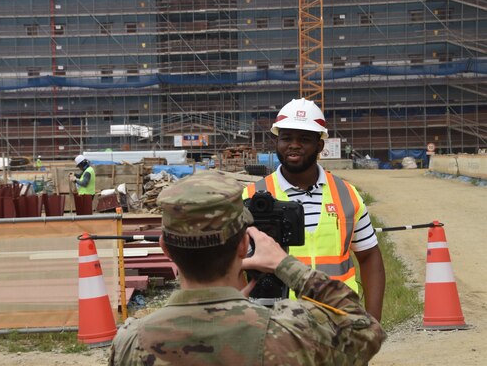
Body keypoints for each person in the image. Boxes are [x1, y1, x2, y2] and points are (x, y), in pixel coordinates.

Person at [109, 170, 386, 366]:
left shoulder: (131, 342)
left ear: (164, 248)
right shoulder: (290, 331)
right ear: (244, 245)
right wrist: (286, 265)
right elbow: (365, 330)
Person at [243, 98, 386, 321]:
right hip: (277, 327)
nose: (294, 144)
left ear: (320, 145)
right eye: (287, 137)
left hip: (339, 323)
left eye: (304, 139)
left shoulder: (347, 195)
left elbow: (369, 257)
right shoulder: (252, 198)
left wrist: (373, 323)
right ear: (277, 142)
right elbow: (231, 266)